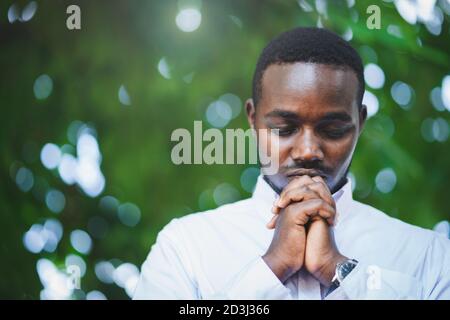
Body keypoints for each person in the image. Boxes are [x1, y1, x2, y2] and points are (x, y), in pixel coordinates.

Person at [133, 27, 450, 299]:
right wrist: (271, 268)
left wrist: (339, 271)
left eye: (333, 129)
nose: (309, 150)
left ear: (360, 122)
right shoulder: (185, 248)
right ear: (253, 119)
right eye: (284, 129)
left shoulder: (431, 256)